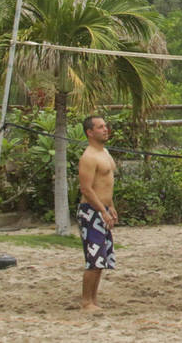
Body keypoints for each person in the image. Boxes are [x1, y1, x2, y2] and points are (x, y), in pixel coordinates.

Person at [77, 115, 117, 312]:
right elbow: (86, 189)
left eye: (105, 126)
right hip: (91, 211)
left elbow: (106, 184)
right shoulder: (89, 157)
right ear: (90, 132)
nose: (105, 129)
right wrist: (102, 210)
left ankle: (93, 299)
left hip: (103, 210)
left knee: (101, 259)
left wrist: (111, 207)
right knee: (93, 259)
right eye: (100, 127)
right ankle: (86, 301)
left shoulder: (105, 153)